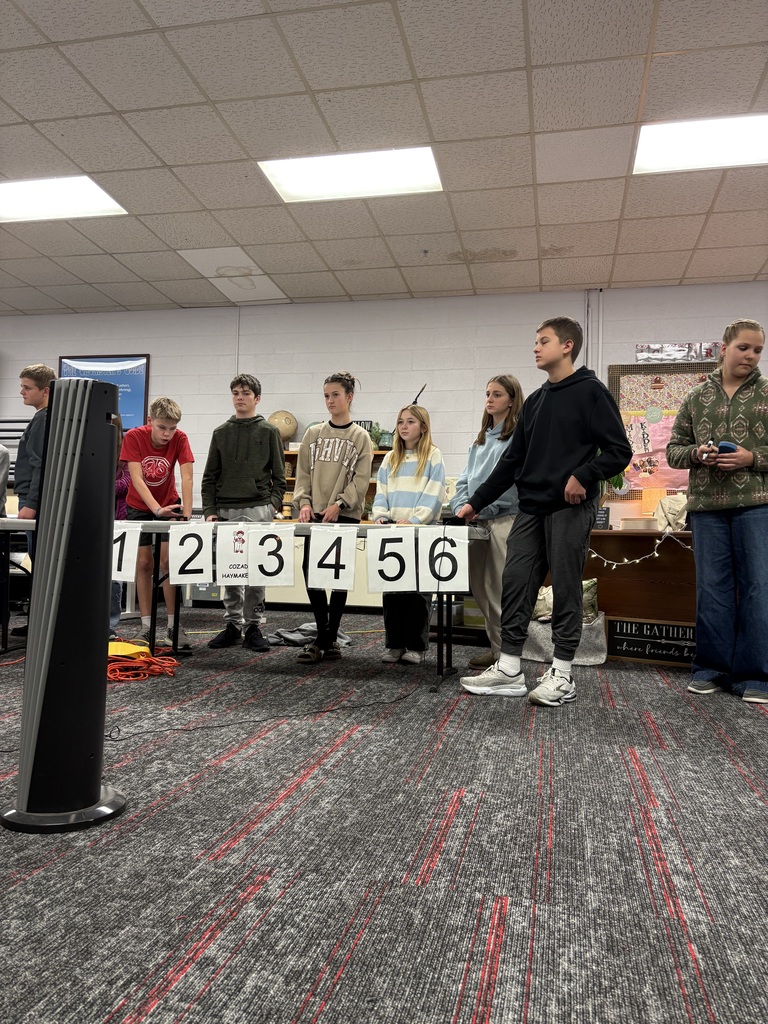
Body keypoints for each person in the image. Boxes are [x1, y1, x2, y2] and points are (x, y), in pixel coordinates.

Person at [456, 316, 631, 707]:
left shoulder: (591, 392)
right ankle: (509, 668)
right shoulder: (535, 401)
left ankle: (564, 673)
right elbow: (512, 462)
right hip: (531, 510)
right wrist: (475, 502)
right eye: (536, 341)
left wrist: (584, 475)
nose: (536, 347)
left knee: (566, 587)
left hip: (569, 508)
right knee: (515, 584)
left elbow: (620, 450)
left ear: (567, 346)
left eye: (544, 341)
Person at [666, 317, 768, 704]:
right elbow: (674, 451)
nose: (751, 356)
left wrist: (751, 458)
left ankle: (756, 675)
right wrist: (697, 453)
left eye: (758, 350)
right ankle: (710, 669)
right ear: (723, 348)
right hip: (706, 508)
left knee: (759, 588)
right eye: (744, 347)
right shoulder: (695, 398)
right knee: (712, 590)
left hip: (757, 506)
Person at [202, 374, 286, 652]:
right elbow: (209, 478)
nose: (240, 397)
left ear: (257, 398)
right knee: (230, 573)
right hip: (226, 510)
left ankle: (253, 626)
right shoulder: (220, 432)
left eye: (246, 393)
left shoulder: (269, 431)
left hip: (259, 509)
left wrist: (271, 504)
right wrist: (210, 511)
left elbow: (280, 477)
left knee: (255, 574)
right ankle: (232, 625)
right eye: (236, 392)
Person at [293, 371, 373, 663]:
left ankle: (327, 638)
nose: (330, 401)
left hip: (345, 516)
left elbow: (361, 480)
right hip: (315, 516)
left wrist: (340, 504)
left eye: (335, 395)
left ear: (349, 397)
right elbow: (302, 474)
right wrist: (303, 503)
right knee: (310, 572)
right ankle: (325, 636)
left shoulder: (361, 437)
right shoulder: (313, 434)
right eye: (326, 395)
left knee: (339, 576)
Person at [451, 375, 523, 669]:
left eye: (497, 394)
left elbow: (511, 484)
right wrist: (461, 507)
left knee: (499, 591)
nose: (490, 399)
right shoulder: (479, 440)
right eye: (487, 394)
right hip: (474, 522)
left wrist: (483, 506)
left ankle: (507, 656)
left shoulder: (516, 437)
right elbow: (464, 481)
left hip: (503, 520)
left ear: (511, 400)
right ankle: (496, 650)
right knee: (480, 589)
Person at [372, 405, 446, 665]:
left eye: (411, 422)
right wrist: (380, 515)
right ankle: (394, 645)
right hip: (392, 532)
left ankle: (415, 645)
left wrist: (415, 520)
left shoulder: (433, 456)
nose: (404, 426)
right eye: (401, 421)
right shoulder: (390, 458)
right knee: (392, 591)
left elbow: (435, 493)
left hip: (419, 532)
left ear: (423, 427)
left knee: (417, 593)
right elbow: (381, 491)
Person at [120, 397, 194, 649]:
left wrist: (186, 512)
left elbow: (186, 477)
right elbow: (137, 479)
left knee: (168, 562)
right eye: (162, 427)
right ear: (150, 421)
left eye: (172, 428)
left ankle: (174, 626)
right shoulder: (133, 437)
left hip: (169, 505)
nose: (167, 434)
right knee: (143, 563)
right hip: (140, 506)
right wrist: (156, 509)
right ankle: (145, 627)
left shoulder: (180, 438)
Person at [12, 364, 56, 638]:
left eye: (27, 388)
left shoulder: (43, 419)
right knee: (37, 562)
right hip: (32, 499)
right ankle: (40, 621)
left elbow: (41, 464)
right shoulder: (41, 417)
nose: (22, 392)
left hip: (33, 502)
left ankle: (42, 624)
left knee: (41, 564)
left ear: (45, 391)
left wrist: (31, 503)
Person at [110, 415, 130, 641]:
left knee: (115, 577)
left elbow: (124, 486)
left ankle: (109, 625)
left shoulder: (124, 456)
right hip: (94, 520)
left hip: (119, 522)